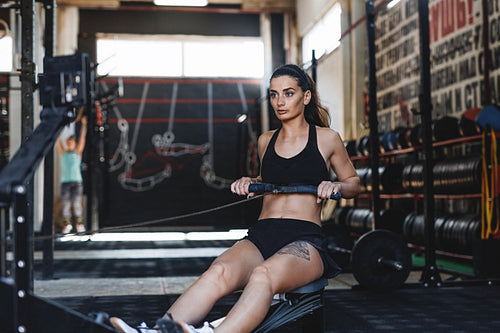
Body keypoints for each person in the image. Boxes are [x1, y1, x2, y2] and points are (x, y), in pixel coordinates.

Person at [110, 64, 360, 333]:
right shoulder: (266, 141)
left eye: (288, 93)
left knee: (263, 276)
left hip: (305, 239)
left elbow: (353, 183)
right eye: (274, 94)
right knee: (218, 272)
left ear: (306, 96)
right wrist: (251, 183)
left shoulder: (327, 139)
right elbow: (269, 181)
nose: (280, 102)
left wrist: (333, 185)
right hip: (262, 234)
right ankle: (158, 331)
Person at [56, 116, 87, 234]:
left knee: (77, 204)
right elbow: (58, 140)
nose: (69, 145)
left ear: (74, 144)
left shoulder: (77, 152)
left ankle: (79, 224)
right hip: (65, 182)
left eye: (71, 143)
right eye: (68, 143)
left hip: (77, 182)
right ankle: (67, 225)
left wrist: (84, 126)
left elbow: (82, 139)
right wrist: (58, 127)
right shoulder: (63, 153)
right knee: (66, 204)